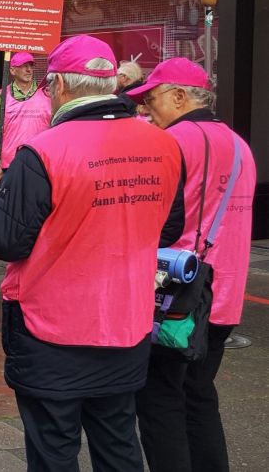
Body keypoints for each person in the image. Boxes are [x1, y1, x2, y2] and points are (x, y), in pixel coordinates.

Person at [0, 35, 184, 472]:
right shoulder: (164, 146)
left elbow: (4, 241)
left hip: (51, 330)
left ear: (58, 87)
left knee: (54, 451)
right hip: (126, 324)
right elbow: (169, 227)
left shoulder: (43, 151)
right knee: (119, 444)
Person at [127, 58, 256, 472]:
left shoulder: (173, 142)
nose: (145, 110)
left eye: (151, 100)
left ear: (179, 96)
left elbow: (162, 223)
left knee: (160, 401)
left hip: (177, 302)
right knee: (200, 396)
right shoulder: (239, 145)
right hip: (225, 297)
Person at [0, 52, 51, 182]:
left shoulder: (48, 95)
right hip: (10, 166)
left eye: (31, 66)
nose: (29, 70)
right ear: (12, 70)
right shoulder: (0, 97)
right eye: (23, 66)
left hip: (42, 164)